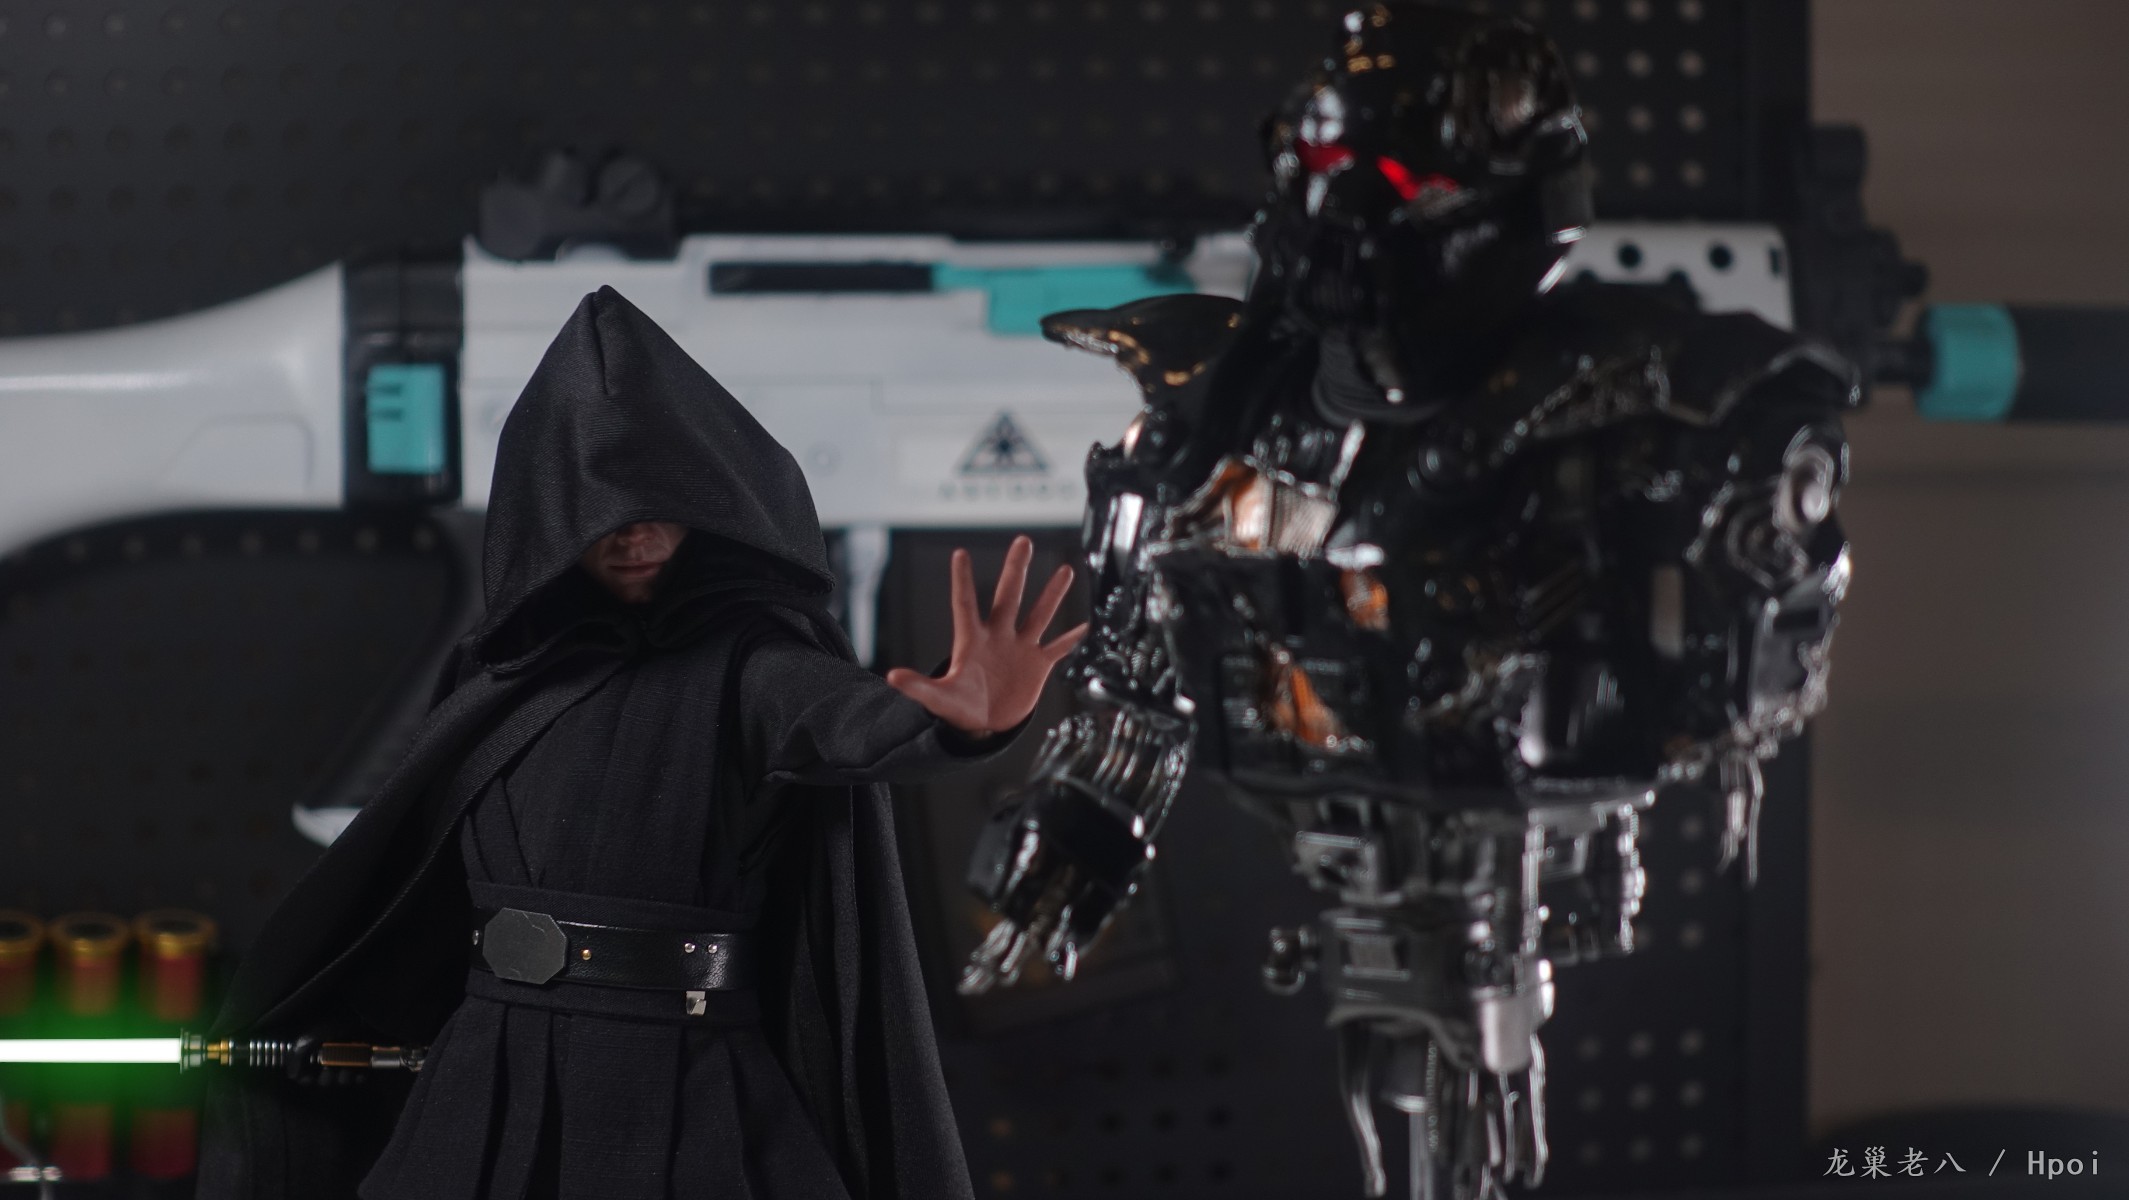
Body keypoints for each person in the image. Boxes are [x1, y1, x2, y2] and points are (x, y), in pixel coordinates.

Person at [958, 5, 1855, 1197]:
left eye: (1387, 177)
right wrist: (1081, 826)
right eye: (1318, 164)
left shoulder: (1648, 405)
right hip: (1340, 854)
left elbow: (1737, 679)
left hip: (1510, 875)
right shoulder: (1223, 406)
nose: (1341, 209)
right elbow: (1142, 671)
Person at [197, 285, 1082, 1199]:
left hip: (683, 1076)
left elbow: (837, 720)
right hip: (488, 1070)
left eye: (660, 505)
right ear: (554, 513)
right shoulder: (500, 676)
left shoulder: (749, 666)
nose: (634, 535)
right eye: (602, 512)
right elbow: (417, 879)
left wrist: (954, 722)